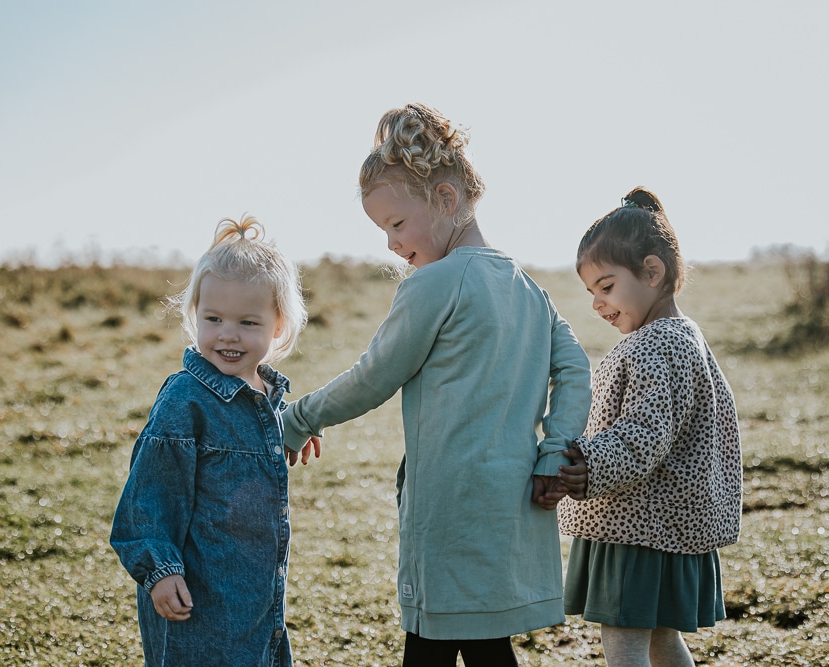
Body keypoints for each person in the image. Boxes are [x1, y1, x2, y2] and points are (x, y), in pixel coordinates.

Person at [281, 103, 592, 666]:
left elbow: (374, 376)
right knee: (482, 642)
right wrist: (553, 452)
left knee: (431, 645)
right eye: (383, 230)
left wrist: (298, 419)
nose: (392, 244)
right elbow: (573, 369)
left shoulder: (435, 284)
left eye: (397, 224)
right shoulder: (528, 288)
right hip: (508, 508)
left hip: (450, 509)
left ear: (446, 200)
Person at [110, 215, 318, 667]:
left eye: (247, 321)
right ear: (195, 317)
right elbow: (148, 499)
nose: (227, 333)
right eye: (213, 318)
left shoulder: (269, 397)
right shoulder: (185, 399)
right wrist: (159, 572)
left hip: (256, 599)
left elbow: (269, 427)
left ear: (278, 326)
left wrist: (298, 424)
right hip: (196, 597)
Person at [557, 187, 743, 667]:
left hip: (637, 525)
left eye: (607, 286)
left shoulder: (651, 345)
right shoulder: (686, 336)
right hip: (669, 524)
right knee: (661, 639)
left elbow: (644, 432)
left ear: (653, 271)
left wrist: (591, 466)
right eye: (591, 292)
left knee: (624, 642)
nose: (598, 303)